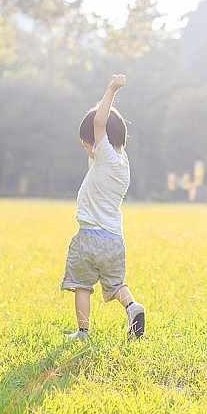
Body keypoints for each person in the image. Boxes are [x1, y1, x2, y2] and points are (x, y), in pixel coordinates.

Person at [60, 73, 145, 340]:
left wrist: (111, 90)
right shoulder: (122, 161)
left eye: (87, 143)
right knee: (114, 285)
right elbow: (104, 133)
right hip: (114, 241)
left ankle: (83, 331)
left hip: (89, 237)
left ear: (101, 139)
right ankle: (133, 307)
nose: (88, 149)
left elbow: (100, 120)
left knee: (82, 285)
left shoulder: (105, 153)